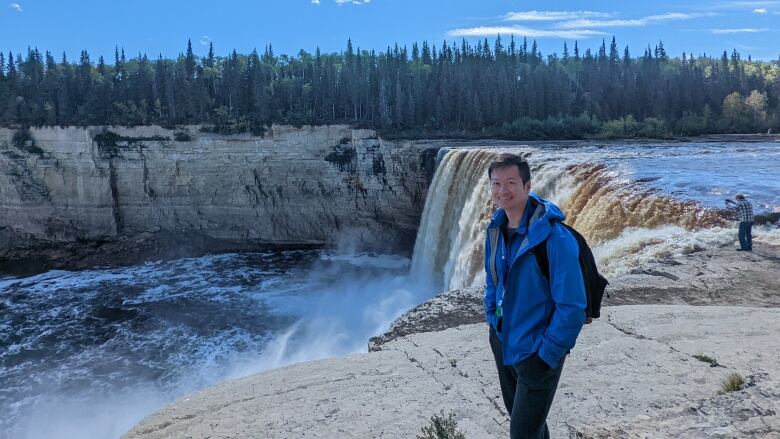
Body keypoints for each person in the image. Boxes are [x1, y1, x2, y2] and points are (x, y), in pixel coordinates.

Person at [483, 153, 586, 439]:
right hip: (504, 341)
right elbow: (492, 281)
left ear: (528, 186)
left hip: (536, 353)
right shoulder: (495, 229)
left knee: (522, 433)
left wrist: (547, 355)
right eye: (496, 184)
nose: (503, 190)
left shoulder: (554, 239)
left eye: (511, 183)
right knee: (530, 426)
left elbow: (573, 307)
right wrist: (493, 319)